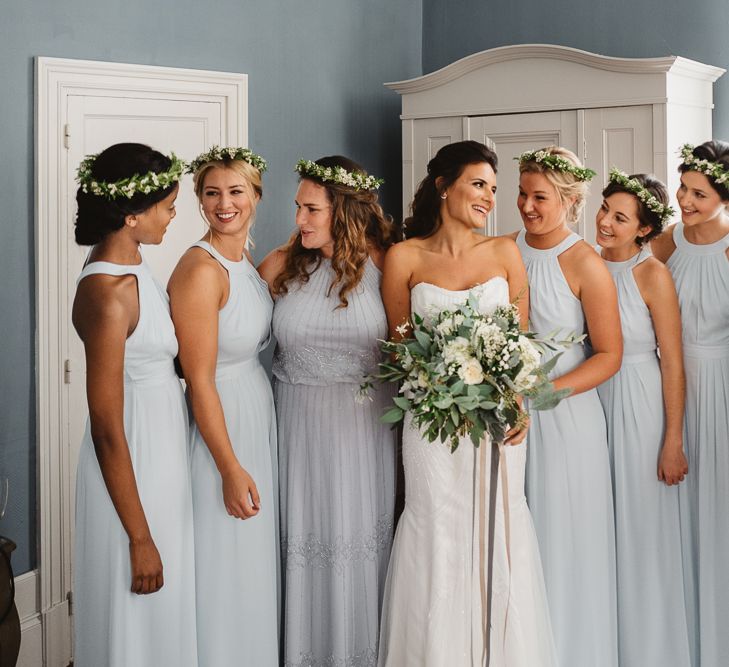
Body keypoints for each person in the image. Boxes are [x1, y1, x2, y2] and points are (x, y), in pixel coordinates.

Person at [378, 140, 557, 666]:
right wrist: (437, 379)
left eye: (493, 189)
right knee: (434, 529)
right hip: (432, 424)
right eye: (479, 184)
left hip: (499, 422)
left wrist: (518, 398)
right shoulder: (404, 257)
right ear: (443, 186)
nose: (489, 198)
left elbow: (520, 340)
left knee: (501, 526)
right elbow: (398, 346)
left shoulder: (505, 252)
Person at [258, 156, 399, 665]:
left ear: (344, 210)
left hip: (363, 430)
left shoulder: (388, 264)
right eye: (298, 207)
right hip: (295, 424)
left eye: (311, 209)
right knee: (302, 539)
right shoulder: (282, 263)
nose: (299, 219)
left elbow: (408, 349)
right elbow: (226, 325)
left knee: (357, 540)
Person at [72, 143, 196, 666]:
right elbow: (105, 426)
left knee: (166, 612)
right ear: (131, 215)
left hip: (163, 454)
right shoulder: (109, 291)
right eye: (167, 205)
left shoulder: (137, 267)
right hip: (131, 462)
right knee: (135, 603)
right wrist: (139, 536)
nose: (173, 214)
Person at [168, 146, 278, 666]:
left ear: (255, 196)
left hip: (255, 412)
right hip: (221, 426)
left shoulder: (246, 262)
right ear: (199, 201)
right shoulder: (200, 269)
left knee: (251, 559)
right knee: (224, 556)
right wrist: (229, 468)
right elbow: (198, 380)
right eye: (212, 193)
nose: (224, 203)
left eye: (236, 191)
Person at [512, 146, 621, 667]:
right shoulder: (502, 248)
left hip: (568, 419)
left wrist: (544, 395)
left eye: (540, 197)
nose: (526, 206)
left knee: (566, 541)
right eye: (523, 193)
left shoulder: (584, 263)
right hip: (509, 419)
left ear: (571, 200)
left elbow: (610, 355)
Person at [595, 169, 690, 665]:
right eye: (605, 209)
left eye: (620, 217)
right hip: (590, 402)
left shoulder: (652, 274)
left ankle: (650, 651)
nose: (605, 221)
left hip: (638, 401)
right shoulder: (584, 262)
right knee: (597, 524)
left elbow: (672, 359)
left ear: (644, 229)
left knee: (639, 527)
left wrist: (672, 439)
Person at [652, 140, 729, 666]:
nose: (684, 200)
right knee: (670, 511)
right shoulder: (668, 243)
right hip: (666, 387)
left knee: (715, 512)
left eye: (699, 193)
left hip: (720, 388)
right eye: (682, 188)